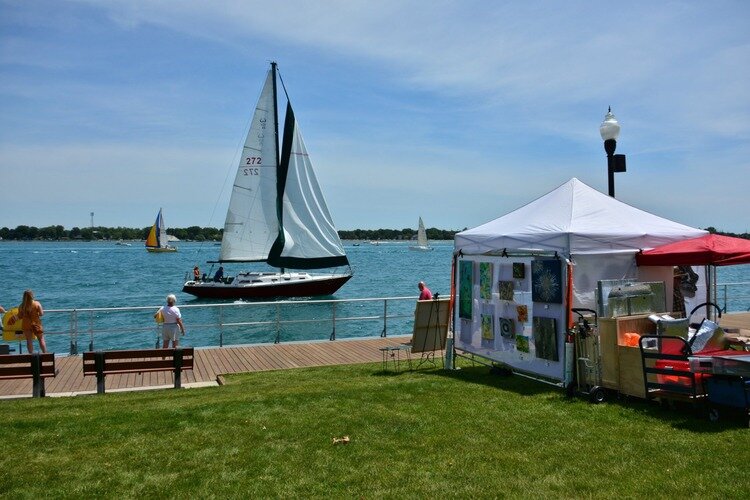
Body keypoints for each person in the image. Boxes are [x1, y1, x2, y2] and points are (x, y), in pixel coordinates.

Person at [15, 289, 47, 354]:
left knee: (29, 341)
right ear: (32, 295)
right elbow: (41, 314)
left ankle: (31, 356)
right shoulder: (36, 303)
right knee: (41, 339)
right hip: (36, 323)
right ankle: (45, 354)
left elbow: (19, 316)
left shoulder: (21, 306)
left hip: (26, 324)